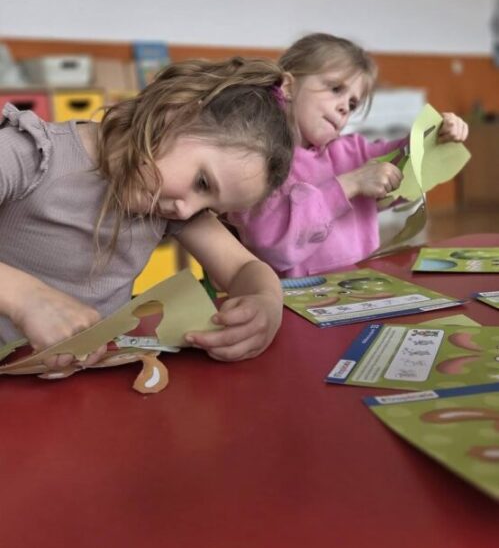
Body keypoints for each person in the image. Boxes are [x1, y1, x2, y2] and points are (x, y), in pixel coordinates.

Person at [0, 57, 293, 365]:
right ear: (175, 113)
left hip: (86, 378)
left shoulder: (169, 206)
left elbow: (244, 268)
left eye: (210, 208)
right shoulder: (27, 152)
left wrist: (265, 302)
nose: (187, 212)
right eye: (202, 182)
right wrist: (25, 298)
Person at [228, 33, 469, 277]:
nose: (345, 107)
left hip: (359, 289)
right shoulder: (257, 160)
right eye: (335, 89)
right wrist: (350, 184)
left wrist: (438, 134)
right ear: (289, 87)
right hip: (296, 297)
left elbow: (405, 159)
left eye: (353, 104)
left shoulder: (351, 151)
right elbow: (272, 245)